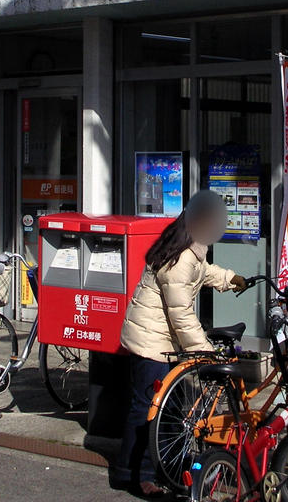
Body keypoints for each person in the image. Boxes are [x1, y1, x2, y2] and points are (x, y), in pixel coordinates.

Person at [113, 190, 248, 498]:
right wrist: (206, 354)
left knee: (170, 409)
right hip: (151, 341)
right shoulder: (181, 258)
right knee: (148, 408)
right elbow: (182, 316)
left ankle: (165, 465)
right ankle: (134, 474)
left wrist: (231, 278)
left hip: (161, 340)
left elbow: (203, 272)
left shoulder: (188, 246)